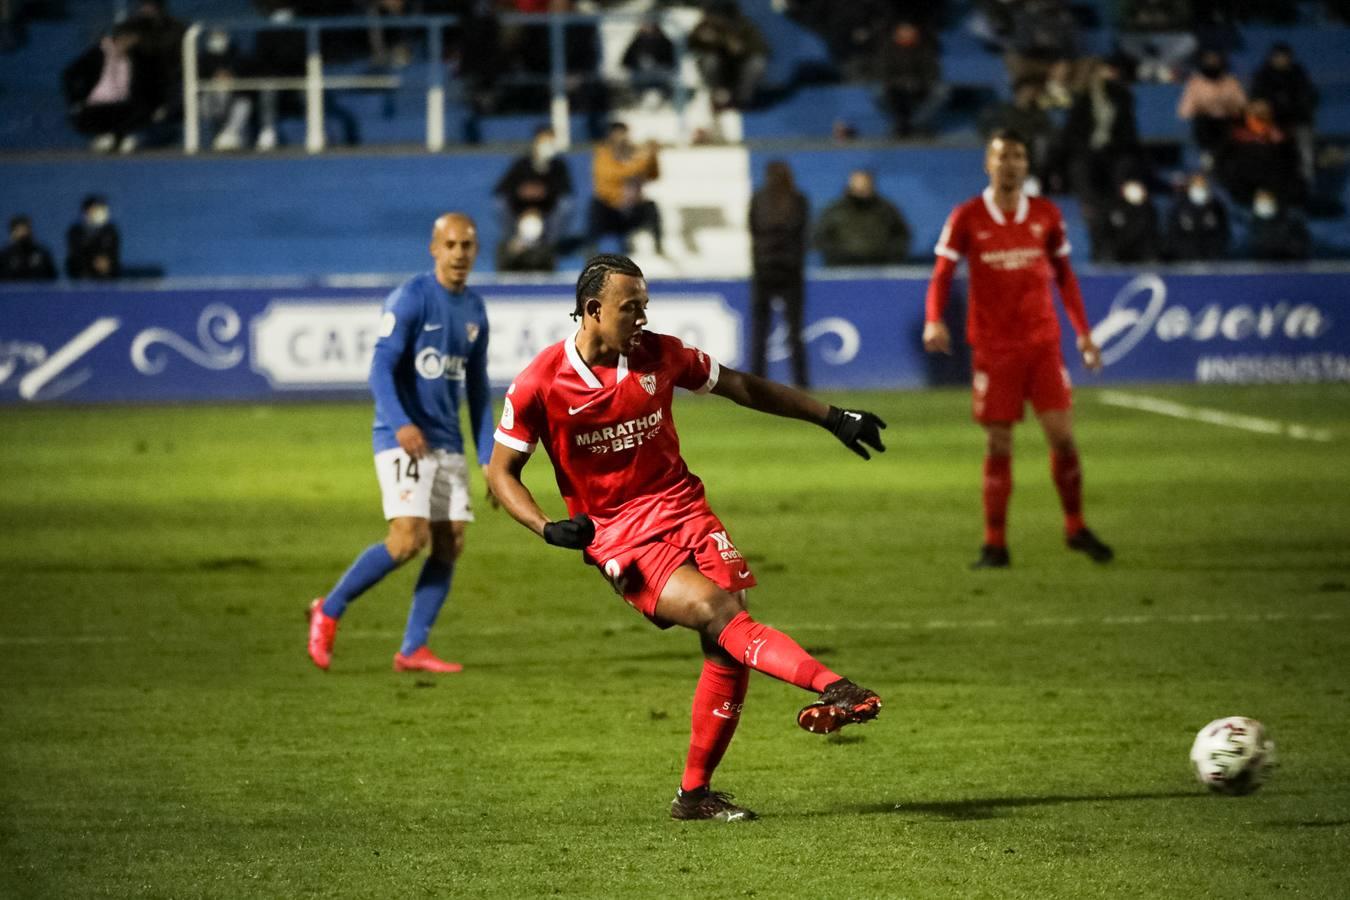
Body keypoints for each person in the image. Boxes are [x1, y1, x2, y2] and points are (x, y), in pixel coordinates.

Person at [486, 254, 887, 822]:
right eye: (631, 309)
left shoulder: (660, 355)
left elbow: (741, 385)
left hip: (687, 511)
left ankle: (694, 796)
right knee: (718, 613)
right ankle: (836, 686)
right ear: (593, 310)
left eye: (646, 307)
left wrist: (832, 417)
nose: (641, 319)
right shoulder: (539, 382)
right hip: (622, 539)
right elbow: (500, 472)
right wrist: (546, 526)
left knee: (727, 644)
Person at [307, 213, 495, 674]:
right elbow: (379, 368)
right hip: (402, 438)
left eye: (467, 245)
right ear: (433, 248)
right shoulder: (411, 298)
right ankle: (329, 610)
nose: (458, 254)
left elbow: (477, 388)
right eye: (449, 244)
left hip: (447, 441)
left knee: (450, 542)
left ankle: (413, 648)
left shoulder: (475, 311)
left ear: (475, 250)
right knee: (408, 538)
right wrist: (401, 422)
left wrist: (490, 457)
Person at [923, 129, 1114, 569]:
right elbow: (942, 274)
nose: (1010, 163)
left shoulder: (1046, 214)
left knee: (1064, 439)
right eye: (1002, 156)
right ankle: (995, 544)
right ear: (987, 164)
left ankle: (1075, 527)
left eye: (1019, 155)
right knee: (998, 444)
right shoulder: (967, 216)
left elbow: (1065, 276)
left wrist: (1083, 332)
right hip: (994, 348)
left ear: (1027, 165)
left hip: (1043, 344)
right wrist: (934, 318)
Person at [748, 160, 810, 387]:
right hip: (791, 271)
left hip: (764, 269)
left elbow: (753, 230)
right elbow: (803, 235)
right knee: (795, 331)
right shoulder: (799, 201)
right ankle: (801, 382)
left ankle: (756, 381)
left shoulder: (759, 200)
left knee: (759, 330)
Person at [61, 22, 157, 153]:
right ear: (121, 38)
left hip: (121, 106)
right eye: (130, 40)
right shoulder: (98, 54)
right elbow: (69, 74)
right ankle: (105, 137)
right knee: (104, 112)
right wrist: (75, 99)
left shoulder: (133, 58)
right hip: (95, 106)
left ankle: (118, 138)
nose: (133, 44)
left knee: (141, 110)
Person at [493, 124, 574, 253]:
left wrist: (545, 191)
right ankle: (512, 242)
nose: (548, 145)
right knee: (500, 203)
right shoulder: (522, 163)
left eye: (551, 141)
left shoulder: (559, 166)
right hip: (521, 211)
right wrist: (521, 191)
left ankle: (549, 246)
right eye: (544, 141)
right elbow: (501, 187)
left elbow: (567, 189)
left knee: (566, 205)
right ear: (536, 142)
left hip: (547, 210)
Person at [588, 122, 662, 255]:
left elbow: (653, 175)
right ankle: (591, 249)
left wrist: (653, 156)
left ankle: (658, 246)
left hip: (632, 207)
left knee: (651, 207)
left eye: (624, 134)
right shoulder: (602, 154)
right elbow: (613, 175)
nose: (622, 139)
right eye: (618, 135)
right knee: (596, 206)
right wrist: (642, 161)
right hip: (611, 208)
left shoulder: (634, 153)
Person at [814, 170, 911, 267]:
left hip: (879, 266)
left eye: (865, 185)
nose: (861, 190)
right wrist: (834, 255)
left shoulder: (886, 210)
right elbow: (820, 237)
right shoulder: (834, 210)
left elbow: (901, 236)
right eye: (857, 186)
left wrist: (891, 255)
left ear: (872, 185)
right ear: (850, 186)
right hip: (842, 267)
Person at [877, 21, 943, 138]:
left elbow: (932, 72)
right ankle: (901, 124)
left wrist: (917, 82)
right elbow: (883, 73)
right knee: (878, 91)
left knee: (941, 91)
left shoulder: (925, 48)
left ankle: (917, 124)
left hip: (921, 87)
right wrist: (901, 82)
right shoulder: (887, 50)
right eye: (903, 32)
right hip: (895, 88)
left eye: (909, 32)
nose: (907, 35)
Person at [1177, 49, 1247, 157]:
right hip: (1205, 125)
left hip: (1226, 122)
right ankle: (1209, 157)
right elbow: (1185, 111)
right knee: (1203, 125)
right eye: (1209, 59)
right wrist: (1203, 108)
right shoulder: (1195, 82)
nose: (1212, 62)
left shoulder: (1231, 81)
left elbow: (1241, 105)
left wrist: (1227, 107)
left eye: (1215, 59)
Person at [1093, 177, 1160, 263]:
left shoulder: (1147, 209)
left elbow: (1149, 234)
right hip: (1116, 253)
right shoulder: (1110, 207)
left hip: (1140, 254)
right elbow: (1102, 233)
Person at [1165, 172, 1229, 261]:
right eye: (1196, 185)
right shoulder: (1180, 207)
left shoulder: (1216, 206)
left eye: (1202, 185)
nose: (1199, 188)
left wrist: (1214, 252)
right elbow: (1173, 233)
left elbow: (1222, 232)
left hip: (1211, 259)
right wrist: (1182, 254)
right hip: (1184, 259)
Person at [1246, 188, 1311, 261]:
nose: (1263, 201)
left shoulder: (1293, 219)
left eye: (1267, 197)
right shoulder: (1254, 221)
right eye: (1260, 197)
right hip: (1262, 263)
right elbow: (1255, 246)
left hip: (1291, 263)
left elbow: (1299, 247)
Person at [65, 195, 120, 280]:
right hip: (81, 280)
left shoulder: (111, 231)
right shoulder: (75, 231)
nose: (102, 211)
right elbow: (75, 256)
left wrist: (107, 264)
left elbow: (114, 256)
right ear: (87, 210)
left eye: (103, 208)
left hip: (107, 280)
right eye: (97, 209)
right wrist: (92, 264)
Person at [1, 215, 58, 281]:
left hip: (39, 290)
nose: (24, 233)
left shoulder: (42, 253)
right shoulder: (4, 256)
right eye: (19, 230)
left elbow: (52, 278)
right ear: (12, 233)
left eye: (27, 229)